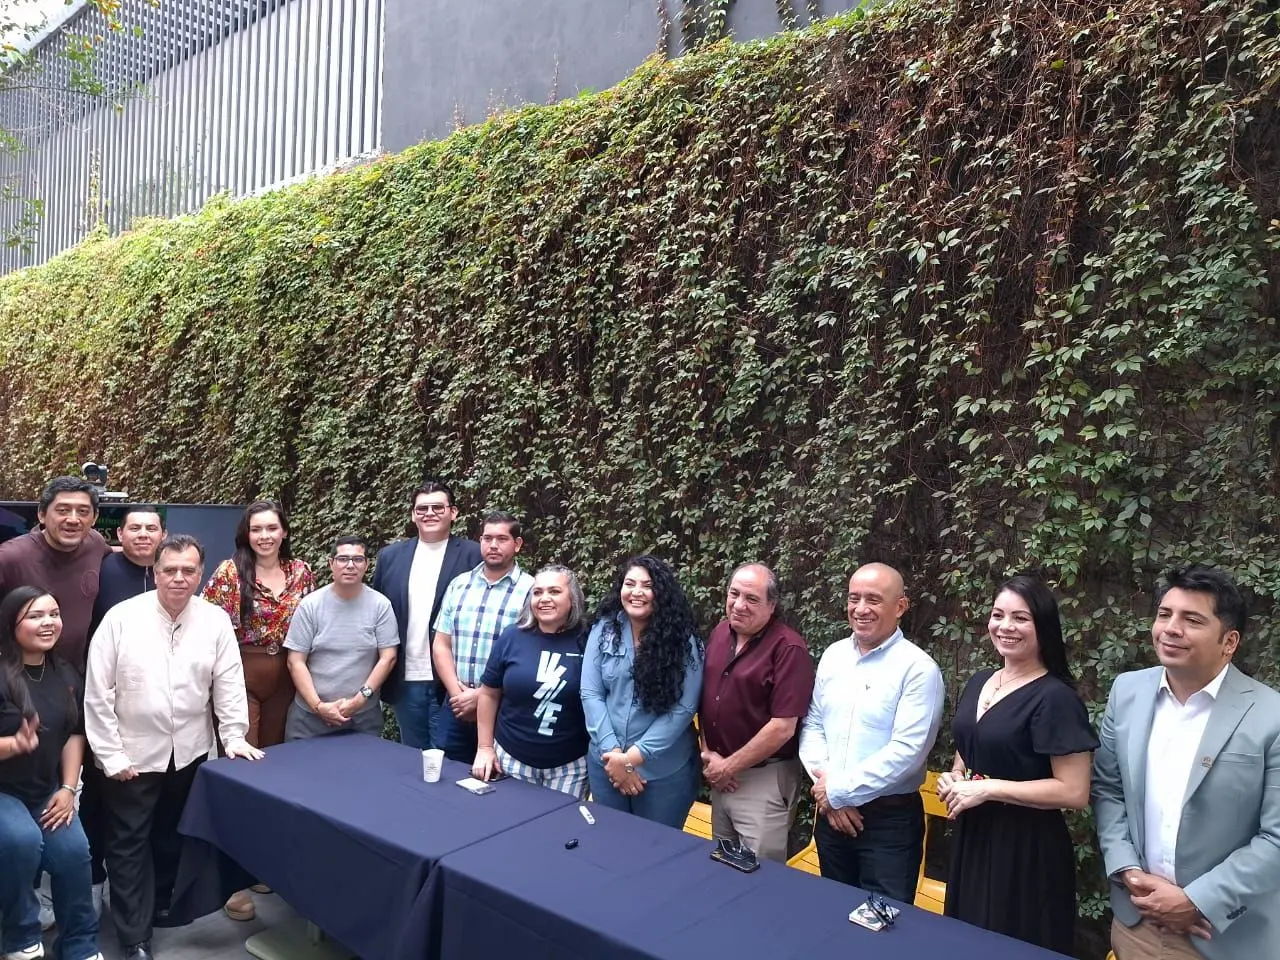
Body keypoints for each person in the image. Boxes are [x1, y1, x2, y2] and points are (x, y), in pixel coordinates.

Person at [85, 534, 263, 960]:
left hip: (189, 750)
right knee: (128, 845)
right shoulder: (121, 618)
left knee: (169, 838)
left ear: (200, 574)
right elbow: (97, 692)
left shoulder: (215, 620)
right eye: (170, 570)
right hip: (131, 756)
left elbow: (229, 684)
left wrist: (234, 736)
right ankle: (134, 937)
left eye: (188, 571)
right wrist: (110, 755)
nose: (179, 578)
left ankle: (161, 907)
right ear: (155, 572)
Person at [1093, 564, 1280, 960]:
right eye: (1164, 614)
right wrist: (1128, 870)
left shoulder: (1271, 717)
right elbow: (1108, 789)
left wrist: (1197, 899)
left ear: (1229, 641)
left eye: (1192, 619)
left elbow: (1276, 838)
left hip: (1226, 935)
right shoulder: (1127, 692)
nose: (1171, 628)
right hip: (1137, 923)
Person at [938, 575, 1098, 954]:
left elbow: (1074, 792)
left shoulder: (1056, 698)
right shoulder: (980, 682)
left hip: (1026, 849)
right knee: (965, 941)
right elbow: (971, 745)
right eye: (998, 615)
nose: (1005, 626)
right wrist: (957, 776)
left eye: (1020, 618)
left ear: (1043, 626)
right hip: (973, 838)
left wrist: (988, 788)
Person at [799, 562, 944, 902]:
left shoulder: (919, 670)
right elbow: (813, 724)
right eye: (854, 598)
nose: (861, 609)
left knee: (882, 926)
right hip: (831, 815)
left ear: (901, 607)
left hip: (888, 825)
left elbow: (908, 751)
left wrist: (838, 792)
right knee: (832, 914)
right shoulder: (834, 656)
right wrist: (831, 795)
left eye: (874, 600)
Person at [201, 500, 312, 921]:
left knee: (274, 771)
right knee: (242, 769)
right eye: (256, 529)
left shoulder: (302, 571)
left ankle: (260, 863)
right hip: (240, 671)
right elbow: (213, 631)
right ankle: (231, 879)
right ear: (245, 535)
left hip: (286, 673)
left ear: (284, 531)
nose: (264, 536)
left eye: (271, 528)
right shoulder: (229, 574)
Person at [0, 587, 100, 960]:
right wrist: (11, 745)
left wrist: (69, 788)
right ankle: (21, 937)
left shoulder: (65, 672)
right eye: (36, 616)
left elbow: (74, 732)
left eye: (53, 614)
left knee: (74, 852)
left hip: (46, 789)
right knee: (21, 841)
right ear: (13, 624)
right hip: (4, 790)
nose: (48, 623)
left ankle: (80, 944)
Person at [698, 563, 814, 862]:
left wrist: (728, 767)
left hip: (763, 779)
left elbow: (782, 727)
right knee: (721, 869)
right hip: (719, 774)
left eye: (751, 598)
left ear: (772, 605)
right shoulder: (721, 633)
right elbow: (707, 700)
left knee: (760, 876)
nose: (738, 604)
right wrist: (708, 755)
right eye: (733, 594)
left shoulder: (789, 649)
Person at [580, 555, 704, 828]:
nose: (637, 592)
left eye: (647, 586)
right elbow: (591, 693)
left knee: (658, 853)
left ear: (661, 593)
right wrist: (614, 755)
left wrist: (631, 759)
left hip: (662, 773)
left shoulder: (683, 640)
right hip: (606, 765)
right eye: (630, 584)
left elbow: (684, 708)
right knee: (609, 846)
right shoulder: (604, 629)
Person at [84, 504, 166, 914]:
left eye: (152, 528)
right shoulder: (102, 572)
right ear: (120, 536)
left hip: (156, 714)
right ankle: (94, 880)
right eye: (135, 528)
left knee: (145, 810)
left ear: (163, 535)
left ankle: (134, 888)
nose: (143, 535)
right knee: (98, 797)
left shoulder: (174, 575)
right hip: (103, 699)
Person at [371, 480, 481, 750]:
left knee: (455, 761)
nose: (429, 513)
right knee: (413, 757)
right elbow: (376, 614)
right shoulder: (390, 557)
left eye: (437, 507)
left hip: (456, 682)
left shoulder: (474, 555)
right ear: (412, 514)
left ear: (453, 512)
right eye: (422, 508)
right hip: (405, 680)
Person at [471, 565, 590, 797]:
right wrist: (484, 748)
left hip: (570, 768)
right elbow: (488, 693)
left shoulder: (590, 640)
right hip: (511, 760)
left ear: (573, 598)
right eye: (537, 592)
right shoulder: (512, 637)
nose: (544, 599)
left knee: (561, 831)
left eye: (554, 591)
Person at [431, 512, 533, 763]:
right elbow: (441, 645)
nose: (493, 545)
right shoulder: (459, 585)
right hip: (454, 705)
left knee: (495, 785)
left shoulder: (531, 591)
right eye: (487, 538)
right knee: (445, 779)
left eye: (502, 539)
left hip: (504, 709)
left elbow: (531, 656)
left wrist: (481, 697)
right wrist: (458, 694)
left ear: (517, 544)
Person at [284, 536, 399, 740]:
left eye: (358, 559)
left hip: (363, 717)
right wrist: (318, 706)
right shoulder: (310, 605)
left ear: (367, 565)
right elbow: (295, 661)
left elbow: (388, 657)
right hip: (309, 718)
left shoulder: (381, 605)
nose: (350, 565)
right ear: (331, 563)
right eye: (343, 559)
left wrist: (360, 700)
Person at [0, 477, 113, 672]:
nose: (73, 519)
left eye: (83, 512)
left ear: (94, 518)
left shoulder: (95, 543)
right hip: (20, 679)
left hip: (74, 676)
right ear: (42, 515)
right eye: (63, 510)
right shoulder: (11, 556)